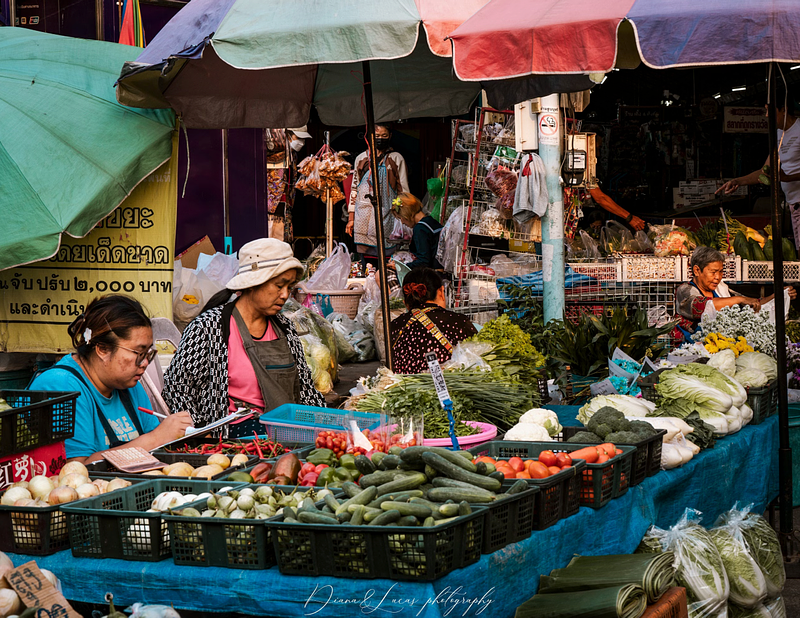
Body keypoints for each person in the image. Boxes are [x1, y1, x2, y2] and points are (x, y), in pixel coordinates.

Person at [163, 238, 324, 437]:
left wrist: (324, 428)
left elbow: (305, 389)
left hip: (283, 430)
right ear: (252, 283)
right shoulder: (209, 327)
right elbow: (176, 386)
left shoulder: (285, 328)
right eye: (279, 285)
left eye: (289, 287)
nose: (284, 295)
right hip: (230, 436)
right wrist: (200, 431)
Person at [30, 296, 193, 463]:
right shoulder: (60, 386)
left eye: (148, 354)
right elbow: (76, 468)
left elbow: (156, 446)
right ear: (102, 349)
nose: (145, 363)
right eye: (139, 353)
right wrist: (157, 437)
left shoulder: (129, 384)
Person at [717, 85, 800, 247]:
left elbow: (782, 176)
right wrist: (738, 181)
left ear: (784, 109)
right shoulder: (779, 134)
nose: (767, 115)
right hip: (794, 205)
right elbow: (765, 171)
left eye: (770, 110)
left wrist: (786, 177)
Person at [673, 246, 796, 342]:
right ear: (697, 270)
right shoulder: (685, 290)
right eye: (713, 272)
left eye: (721, 272)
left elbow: (752, 303)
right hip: (690, 350)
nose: (718, 277)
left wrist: (779, 294)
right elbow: (700, 306)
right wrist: (739, 299)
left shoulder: (721, 290)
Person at [346, 124, 410, 269]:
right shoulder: (361, 159)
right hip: (363, 217)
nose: (380, 139)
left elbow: (404, 190)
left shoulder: (396, 158)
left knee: (388, 264)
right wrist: (351, 218)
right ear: (369, 137)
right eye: (377, 136)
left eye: (384, 136)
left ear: (390, 136)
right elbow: (354, 189)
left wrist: (404, 216)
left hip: (388, 216)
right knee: (367, 266)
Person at [390, 268, 477, 374]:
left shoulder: (394, 326)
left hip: (401, 384)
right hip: (452, 384)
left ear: (406, 303)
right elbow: (477, 357)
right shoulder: (459, 322)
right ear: (441, 292)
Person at [391, 192, 443, 269]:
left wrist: (403, 267)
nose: (402, 222)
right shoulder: (430, 221)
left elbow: (424, 261)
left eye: (401, 217)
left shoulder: (420, 229)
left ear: (407, 213)